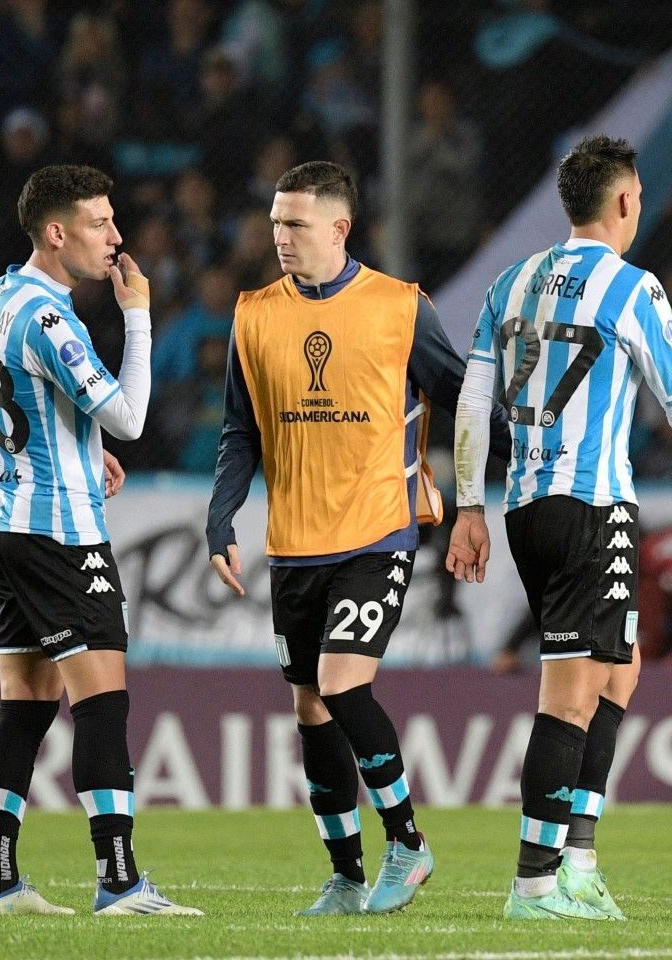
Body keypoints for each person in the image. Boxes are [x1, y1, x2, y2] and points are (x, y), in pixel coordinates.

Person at [447, 135, 672, 920]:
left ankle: (579, 859)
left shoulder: (510, 282)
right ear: (624, 201)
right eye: (640, 197)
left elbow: (473, 403)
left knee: (619, 672)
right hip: (591, 507)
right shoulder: (633, 287)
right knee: (569, 697)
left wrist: (470, 506)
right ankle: (535, 883)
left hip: (526, 507)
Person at [204, 161, 502, 916]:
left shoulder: (399, 308)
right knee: (310, 708)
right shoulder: (253, 314)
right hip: (293, 542)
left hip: (378, 532)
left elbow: (462, 396)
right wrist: (221, 518)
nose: (281, 236)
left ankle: (408, 842)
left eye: (296, 224)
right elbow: (240, 429)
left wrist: (514, 458)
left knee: (341, 685)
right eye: (275, 222)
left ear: (340, 228)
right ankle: (344, 876)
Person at [0, 164, 200, 916]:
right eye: (100, 224)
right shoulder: (51, 319)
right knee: (102, 703)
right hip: (60, 534)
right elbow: (130, 415)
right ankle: (119, 880)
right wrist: (139, 318)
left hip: (4, 524)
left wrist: (77, 446)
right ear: (57, 233)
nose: (116, 237)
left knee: (25, 707)